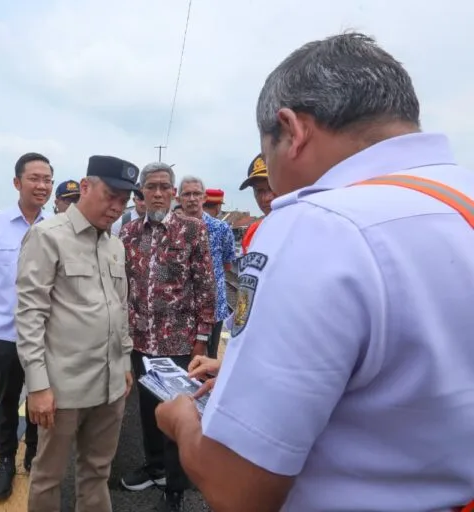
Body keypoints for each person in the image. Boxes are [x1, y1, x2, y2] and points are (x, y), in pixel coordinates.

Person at [155, 32, 474, 512]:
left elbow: (238, 489)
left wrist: (181, 418)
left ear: (292, 129)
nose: (273, 189)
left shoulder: (317, 225)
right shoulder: (455, 201)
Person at [15, 155, 138, 512]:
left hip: (111, 384)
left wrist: (126, 363)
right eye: (110, 195)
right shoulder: (46, 236)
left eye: (124, 200)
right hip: (62, 389)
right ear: (85, 187)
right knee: (48, 475)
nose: (117, 207)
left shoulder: (114, 245)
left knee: (97, 472)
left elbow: (121, 307)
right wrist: (38, 386)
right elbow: (30, 314)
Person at [119, 162, 215, 511]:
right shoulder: (128, 234)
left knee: (177, 413)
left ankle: (175, 486)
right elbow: (124, 286)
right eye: (151, 187)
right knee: (147, 410)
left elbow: (205, 288)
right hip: (141, 341)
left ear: (173, 191)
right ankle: (155, 465)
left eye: (164, 186)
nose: (158, 193)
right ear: (141, 192)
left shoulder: (192, 230)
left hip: (178, 342)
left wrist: (202, 339)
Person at [0, 152, 51, 499]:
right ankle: (5, 460)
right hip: (4, 333)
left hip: (46, 334)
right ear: (17, 182)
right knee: (6, 400)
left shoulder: (56, 226)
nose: (42, 185)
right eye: (34, 178)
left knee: (41, 396)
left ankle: (34, 453)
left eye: (48, 179)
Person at [177, 176, 236, 359]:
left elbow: (227, 264)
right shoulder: (171, 228)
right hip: (179, 309)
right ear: (179, 199)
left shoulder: (221, 228)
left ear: (204, 198)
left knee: (207, 362)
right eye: (187, 194)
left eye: (196, 193)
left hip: (213, 309)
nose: (192, 198)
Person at [238, 154, 276, 255]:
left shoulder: (308, 228)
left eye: (272, 188)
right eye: (259, 190)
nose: (266, 198)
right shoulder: (252, 232)